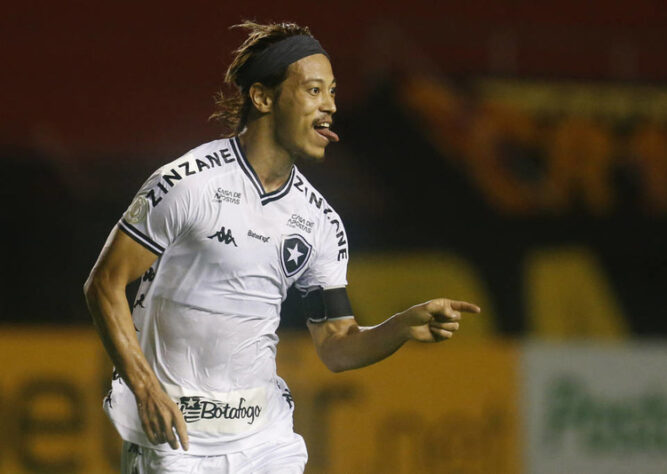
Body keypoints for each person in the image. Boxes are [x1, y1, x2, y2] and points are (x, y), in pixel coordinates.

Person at [83, 20, 480, 474]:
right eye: (314, 90)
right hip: (177, 440)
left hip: (265, 438)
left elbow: (336, 346)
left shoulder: (319, 223)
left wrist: (401, 327)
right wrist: (146, 389)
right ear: (262, 97)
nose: (330, 105)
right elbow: (105, 284)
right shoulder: (187, 183)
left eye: (332, 91)